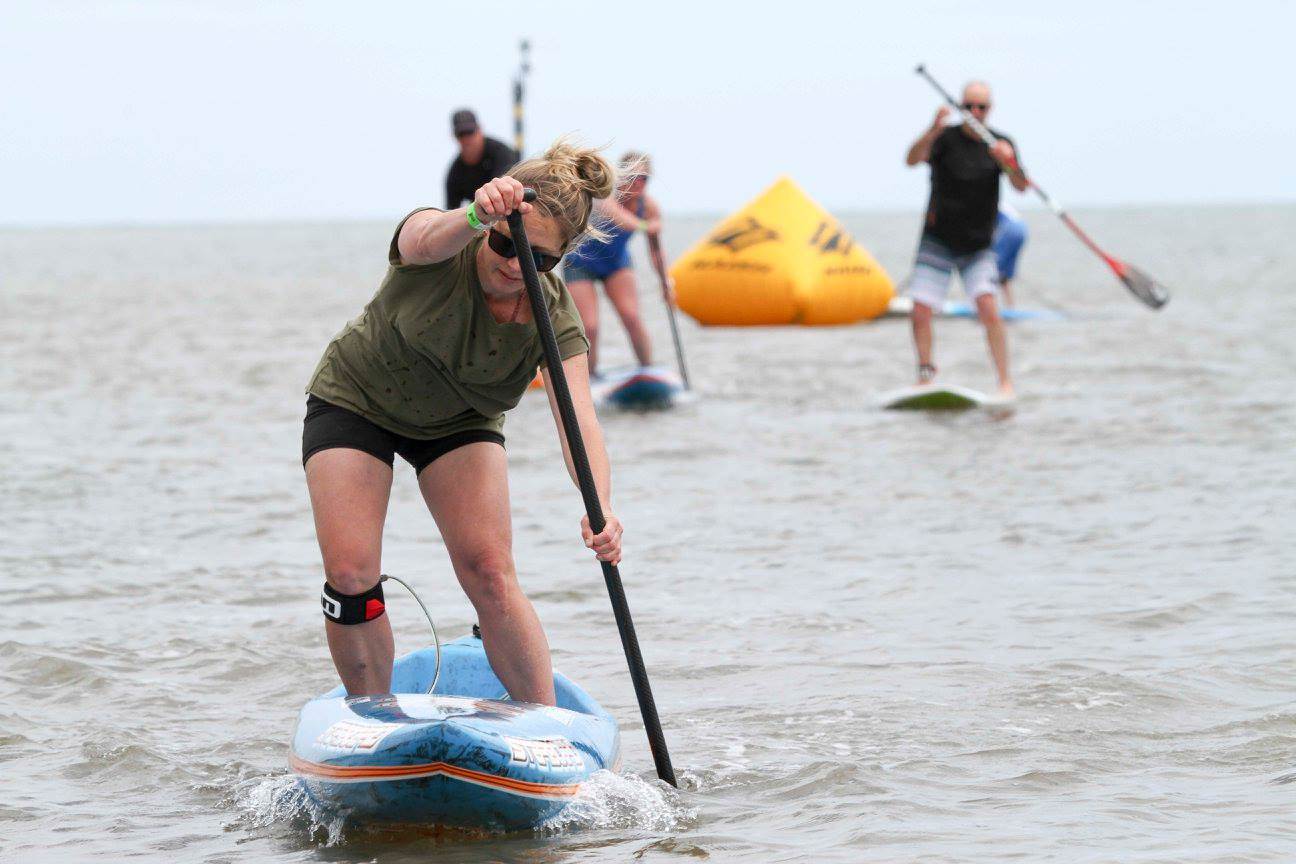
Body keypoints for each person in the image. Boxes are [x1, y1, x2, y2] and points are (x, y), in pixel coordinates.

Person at [303, 140, 622, 705]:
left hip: (460, 421)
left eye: (538, 260)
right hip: (358, 400)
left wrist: (601, 509)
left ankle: (542, 725)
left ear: (560, 260)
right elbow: (422, 235)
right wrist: (475, 215)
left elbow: (579, 422)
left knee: (491, 574)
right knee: (353, 576)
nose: (512, 264)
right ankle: (371, 720)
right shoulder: (443, 242)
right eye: (503, 242)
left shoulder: (554, 318)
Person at [904, 80, 1028, 397]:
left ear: (989, 110)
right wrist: (932, 129)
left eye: (981, 107)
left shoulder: (1000, 143)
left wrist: (1009, 161)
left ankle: (1004, 381)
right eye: (968, 106)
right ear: (961, 107)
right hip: (938, 239)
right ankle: (925, 373)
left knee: (988, 306)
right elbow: (911, 159)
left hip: (978, 244)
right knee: (920, 308)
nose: (974, 112)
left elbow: (1021, 186)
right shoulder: (945, 139)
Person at [562, 151, 667, 378]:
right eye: (632, 177)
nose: (637, 183)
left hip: (616, 264)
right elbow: (620, 219)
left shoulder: (649, 208)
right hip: (581, 262)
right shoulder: (605, 196)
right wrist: (648, 227)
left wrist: (666, 284)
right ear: (622, 177)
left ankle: (648, 370)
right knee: (590, 327)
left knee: (631, 316)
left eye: (644, 179)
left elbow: (656, 252)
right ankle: (589, 378)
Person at [444, 109, 519, 210]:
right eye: (461, 134)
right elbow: (450, 214)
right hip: (483, 217)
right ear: (455, 137)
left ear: (479, 130)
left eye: (470, 132)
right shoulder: (455, 174)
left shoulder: (502, 153)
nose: (467, 139)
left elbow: (508, 188)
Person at [993, 203, 1029, 308]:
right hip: (1022, 229)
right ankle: (1010, 306)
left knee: (990, 268)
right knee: (1004, 273)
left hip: (1010, 229)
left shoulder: (986, 202)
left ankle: (987, 307)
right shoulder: (1000, 202)